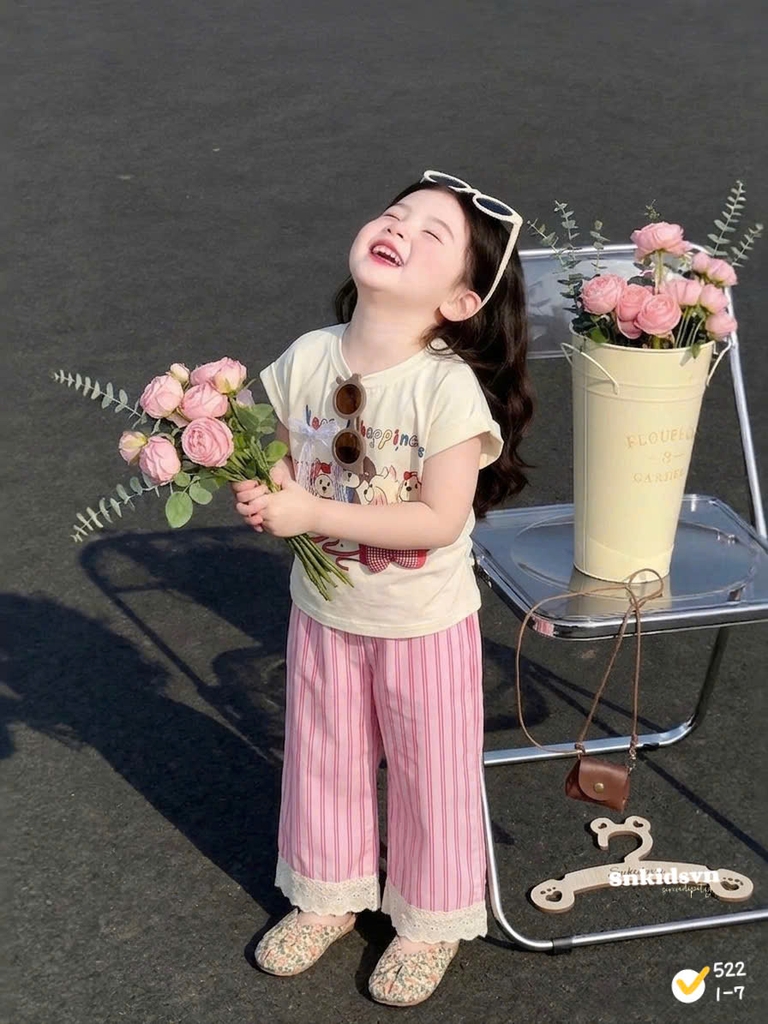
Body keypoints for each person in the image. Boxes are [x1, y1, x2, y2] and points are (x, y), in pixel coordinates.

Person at [231, 170, 534, 1007]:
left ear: (462, 301)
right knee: (322, 755)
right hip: (325, 610)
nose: (399, 228)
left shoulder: (445, 388)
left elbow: (440, 518)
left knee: (430, 772)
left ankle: (431, 917)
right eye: (397, 214)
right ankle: (326, 894)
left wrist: (309, 509)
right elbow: (275, 456)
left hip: (422, 621)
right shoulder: (307, 356)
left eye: (431, 234)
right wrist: (262, 489)